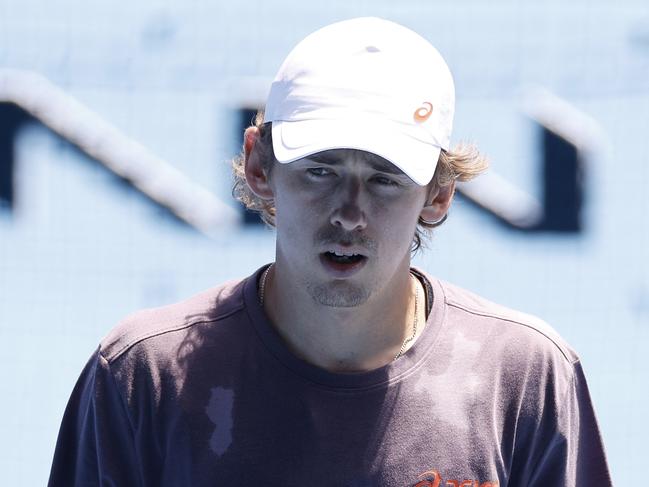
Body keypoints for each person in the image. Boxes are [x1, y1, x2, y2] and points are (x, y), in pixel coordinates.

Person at [48, 17, 612, 486]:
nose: (349, 212)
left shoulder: (524, 376)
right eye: (320, 170)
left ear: (438, 195)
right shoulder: (142, 375)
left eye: (386, 179)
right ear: (258, 166)